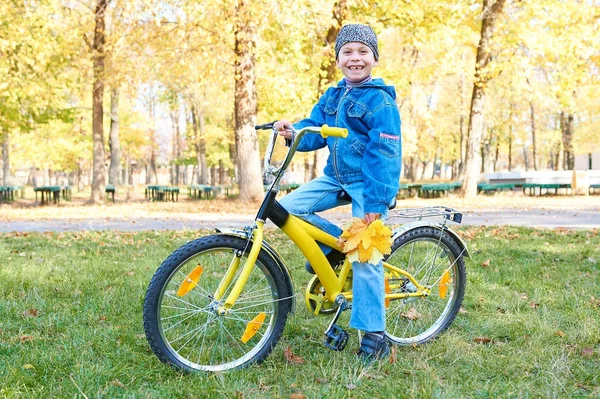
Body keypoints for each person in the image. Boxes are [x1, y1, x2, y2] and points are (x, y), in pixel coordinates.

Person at [274, 24, 402, 362]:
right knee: (286, 208)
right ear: (338, 59)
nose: (355, 58)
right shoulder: (332, 96)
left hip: (368, 184)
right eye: (347, 52)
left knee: (365, 254)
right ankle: (336, 249)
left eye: (362, 52)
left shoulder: (380, 102)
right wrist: (293, 131)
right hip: (335, 177)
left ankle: (375, 333)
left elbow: (385, 157)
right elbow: (314, 131)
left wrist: (374, 206)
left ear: (374, 58)